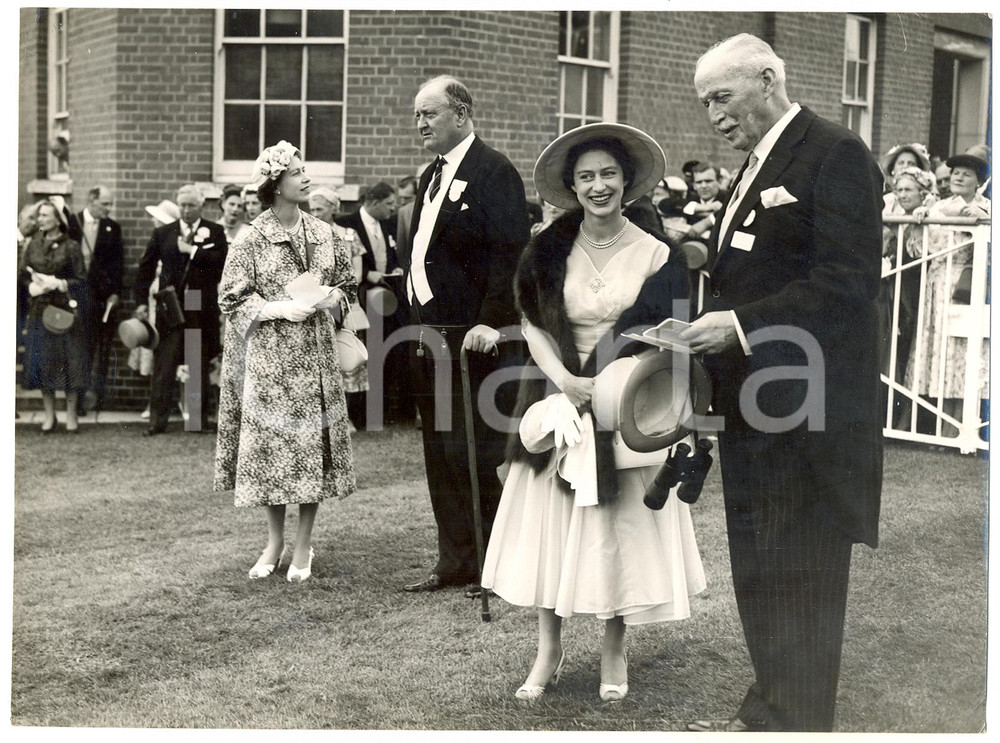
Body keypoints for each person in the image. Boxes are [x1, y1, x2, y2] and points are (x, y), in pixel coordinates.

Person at [681, 34, 883, 732]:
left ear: (767, 80)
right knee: (760, 566)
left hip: (808, 412)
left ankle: (796, 717)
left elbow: (847, 283)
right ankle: (772, 703)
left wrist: (739, 325)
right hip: (753, 406)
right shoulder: (755, 164)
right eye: (705, 103)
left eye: (722, 97)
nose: (714, 115)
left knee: (801, 571)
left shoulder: (834, 153)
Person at [481, 123, 704, 704]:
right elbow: (532, 323)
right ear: (572, 186)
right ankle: (548, 649)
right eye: (586, 177)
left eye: (608, 174)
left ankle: (613, 647)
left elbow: (664, 337)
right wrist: (565, 382)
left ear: (627, 181)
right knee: (551, 527)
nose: (598, 185)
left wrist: (610, 384)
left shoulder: (658, 253)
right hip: (558, 391)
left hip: (626, 400)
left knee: (615, 529)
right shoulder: (548, 246)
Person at [400, 75, 530, 595]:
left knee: (476, 451)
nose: (420, 123)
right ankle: (453, 559)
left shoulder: (493, 170)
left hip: (473, 339)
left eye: (428, 113)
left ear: (460, 114)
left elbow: (510, 253)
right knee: (440, 449)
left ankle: (493, 563)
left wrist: (491, 320)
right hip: (429, 336)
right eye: (416, 115)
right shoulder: (431, 174)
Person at [214, 140, 358, 582]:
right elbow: (230, 298)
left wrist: (333, 297)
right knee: (273, 452)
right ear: (275, 185)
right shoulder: (251, 238)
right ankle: (274, 542)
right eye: (296, 172)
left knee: (310, 450)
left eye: (304, 169)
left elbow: (348, 286)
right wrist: (277, 308)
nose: (306, 177)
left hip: (316, 358)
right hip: (270, 362)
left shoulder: (326, 234)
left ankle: (303, 544)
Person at [904, 152, 990, 438]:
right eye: (955, 173)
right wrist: (918, 223)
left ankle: (959, 426)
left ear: (978, 181)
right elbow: (920, 251)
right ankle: (942, 425)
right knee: (939, 351)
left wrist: (983, 220)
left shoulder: (987, 208)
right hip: (937, 285)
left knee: (962, 351)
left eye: (966, 174)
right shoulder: (938, 207)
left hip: (967, 285)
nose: (958, 177)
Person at [134, 183, 228, 435]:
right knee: (165, 363)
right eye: (182, 205)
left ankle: (197, 420)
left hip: (198, 303)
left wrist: (193, 251)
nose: (186, 210)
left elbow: (221, 263)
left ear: (201, 206)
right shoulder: (163, 233)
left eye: (191, 206)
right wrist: (141, 301)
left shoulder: (214, 231)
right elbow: (145, 268)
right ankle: (157, 421)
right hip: (170, 303)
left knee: (197, 361)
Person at [336, 181, 411, 426]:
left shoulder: (388, 223)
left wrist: (394, 268)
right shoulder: (347, 223)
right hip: (363, 297)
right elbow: (345, 260)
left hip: (388, 296)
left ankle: (386, 411)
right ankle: (362, 415)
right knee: (366, 353)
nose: (393, 208)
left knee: (391, 351)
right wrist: (368, 274)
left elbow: (392, 253)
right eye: (388, 204)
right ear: (374, 202)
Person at [18, 199, 88, 433]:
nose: (40, 220)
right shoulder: (33, 245)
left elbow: (82, 280)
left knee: (70, 362)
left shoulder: (71, 247)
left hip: (64, 311)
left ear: (58, 220)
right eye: (39, 216)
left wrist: (59, 283)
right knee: (43, 363)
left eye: (46, 215)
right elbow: (22, 273)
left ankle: (71, 415)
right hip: (40, 310)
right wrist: (32, 286)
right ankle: (49, 416)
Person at [880, 167, 936, 429]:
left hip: (915, 291)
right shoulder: (893, 218)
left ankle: (910, 420)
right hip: (893, 291)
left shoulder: (928, 215)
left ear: (922, 192)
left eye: (908, 189)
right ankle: (890, 416)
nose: (902, 194)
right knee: (893, 351)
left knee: (910, 350)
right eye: (899, 189)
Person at [310, 185, 368, 432]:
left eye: (320, 209)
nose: (315, 213)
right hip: (318, 303)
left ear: (333, 209)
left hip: (345, 303)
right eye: (312, 209)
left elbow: (357, 272)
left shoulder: (348, 235)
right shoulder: (307, 235)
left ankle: (345, 417)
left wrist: (338, 293)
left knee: (347, 357)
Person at [75, 185, 124, 415]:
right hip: (75, 296)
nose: (108, 208)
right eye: (105, 203)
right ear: (91, 200)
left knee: (100, 349)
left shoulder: (112, 228)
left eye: (110, 204)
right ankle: (77, 401)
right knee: (79, 349)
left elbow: (118, 265)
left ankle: (97, 399)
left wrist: (115, 292)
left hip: (101, 299)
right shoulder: (72, 223)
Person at [682, 162, 728, 239]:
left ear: (719, 181)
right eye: (699, 182)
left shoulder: (729, 199)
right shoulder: (691, 200)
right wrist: (707, 208)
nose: (703, 186)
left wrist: (706, 223)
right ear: (694, 185)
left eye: (708, 181)